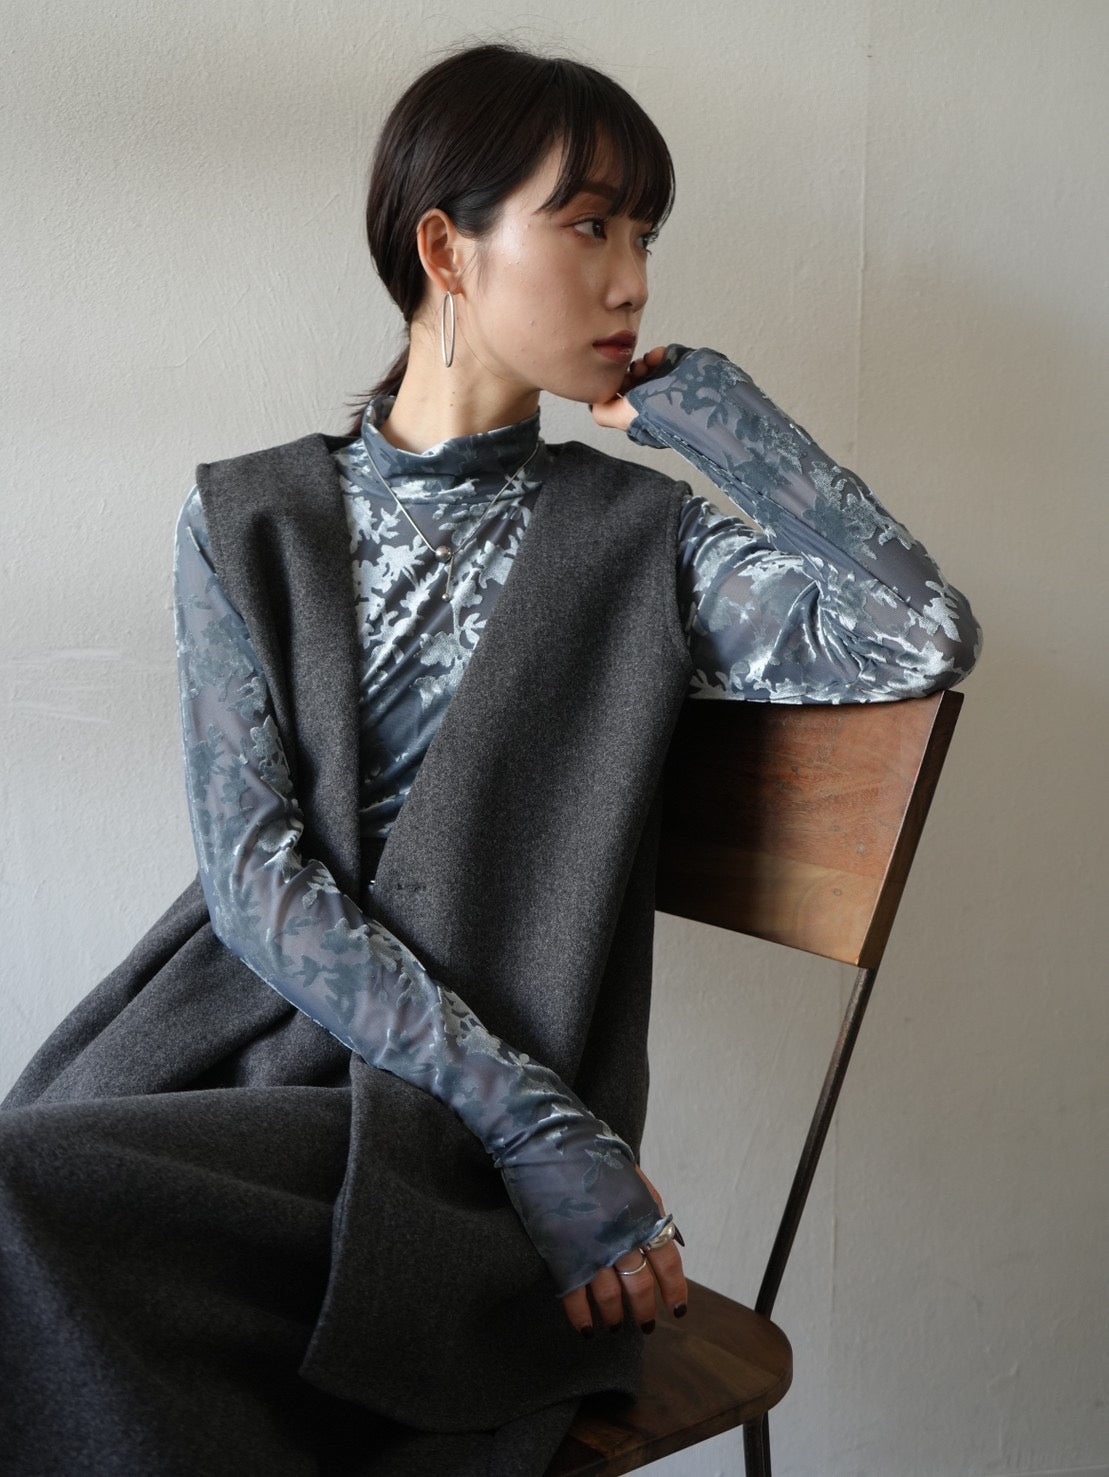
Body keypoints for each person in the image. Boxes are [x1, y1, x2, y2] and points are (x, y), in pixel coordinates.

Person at [0, 38, 980, 1477]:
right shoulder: (247, 520)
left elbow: (918, 633)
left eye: (644, 237)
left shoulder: (643, 545)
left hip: (452, 1147)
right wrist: (532, 1124)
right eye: (589, 226)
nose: (630, 280)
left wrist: (718, 416)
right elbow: (256, 878)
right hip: (251, 1056)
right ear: (445, 250)